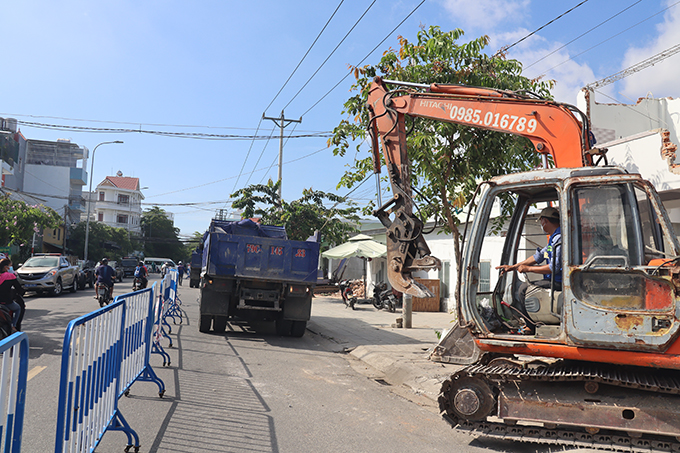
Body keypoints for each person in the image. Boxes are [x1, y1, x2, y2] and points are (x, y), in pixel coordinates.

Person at [496, 207, 562, 330]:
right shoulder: (553, 239)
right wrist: (513, 267)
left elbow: (554, 267)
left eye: (541, 222)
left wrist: (528, 269)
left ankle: (530, 326)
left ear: (544, 221)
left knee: (523, 289)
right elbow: (538, 257)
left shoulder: (559, 239)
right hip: (553, 280)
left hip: (559, 281)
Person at [0, 258, 23, 328]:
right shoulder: (10, 276)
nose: (11, 267)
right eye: (10, 265)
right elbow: (19, 289)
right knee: (18, 308)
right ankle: (13, 325)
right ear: (5, 267)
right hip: (7, 302)